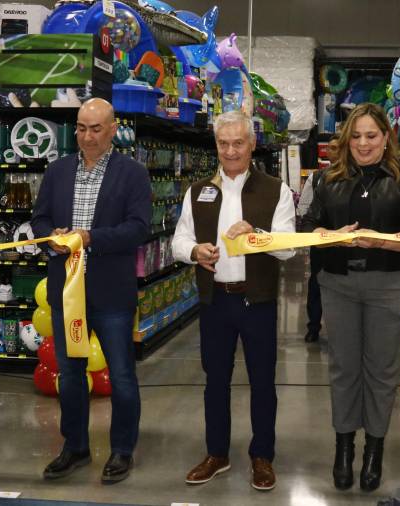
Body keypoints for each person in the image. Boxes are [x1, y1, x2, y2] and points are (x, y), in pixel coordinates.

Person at [301, 103, 400, 491]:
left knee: (382, 371)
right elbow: (307, 226)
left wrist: (387, 244)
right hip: (338, 284)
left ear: (386, 137)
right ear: (345, 139)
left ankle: (374, 450)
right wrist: (324, 234)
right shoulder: (326, 180)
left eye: (371, 135)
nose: (362, 143)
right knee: (343, 368)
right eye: (355, 136)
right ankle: (344, 449)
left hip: (388, 285)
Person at [172, 111, 296, 491]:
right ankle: (217, 454)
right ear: (216, 145)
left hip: (256, 301)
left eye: (238, 143)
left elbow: (288, 248)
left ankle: (263, 456)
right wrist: (195, 252)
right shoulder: (197, 191)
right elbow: (178, 241)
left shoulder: (276, 190)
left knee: (262, 382)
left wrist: (256, 234)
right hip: (215, 302)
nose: (230, 151)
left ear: (252, 144)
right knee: (215, 382)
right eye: (223, 143)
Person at [32, 98, 152, 484]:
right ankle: (75, 446)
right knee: (69, 374)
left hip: (112, 294)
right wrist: (50, 238)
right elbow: (40, 218)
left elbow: (138, 228)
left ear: (114, 128)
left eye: (96, 129)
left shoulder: (132, 174)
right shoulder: (57, 171)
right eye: (81, 128)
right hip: (66, 292)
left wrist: (89, 238)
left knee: (121, 376)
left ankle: (121, 450)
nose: (87, 137)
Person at [296, 135, 340, 342]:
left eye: (339, 147)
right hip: (321, 242)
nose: (335, 152)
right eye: (331, 148)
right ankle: (313, 326)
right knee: (316, 284)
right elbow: (304, 208)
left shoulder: (357, 177)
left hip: (348, 243)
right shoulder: (316, 178)